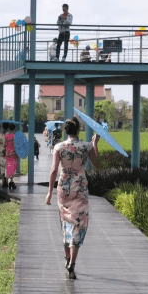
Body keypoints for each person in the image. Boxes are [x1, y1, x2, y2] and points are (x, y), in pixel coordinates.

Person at [45, 117, 100, 280]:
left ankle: (67, 258)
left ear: (65, 131)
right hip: (80, 187)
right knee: (79, 222)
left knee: (65, 221)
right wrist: (95, 144)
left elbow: (54, 170)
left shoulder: (59, 147)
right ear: (78, 130)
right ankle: (72, 264)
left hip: (64, 187)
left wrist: (49, 192)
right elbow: (97, 166)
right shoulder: (86, 146)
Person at [5, 123, 17, 190]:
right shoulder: (15, 136)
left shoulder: (6, 136)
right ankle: (11, 181)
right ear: (14, 129)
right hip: (13, 153)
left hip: (7, 153)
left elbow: (5, 144)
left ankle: (11, 181)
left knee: (9, 167)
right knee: (13, 167)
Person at [0, 122, 9, 187]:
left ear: (2, 127)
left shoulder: (0, 135)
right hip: (8, 152)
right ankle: (7, 180)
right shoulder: (9, 134)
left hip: (1, 152)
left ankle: (3, 180)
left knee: (2, 167)